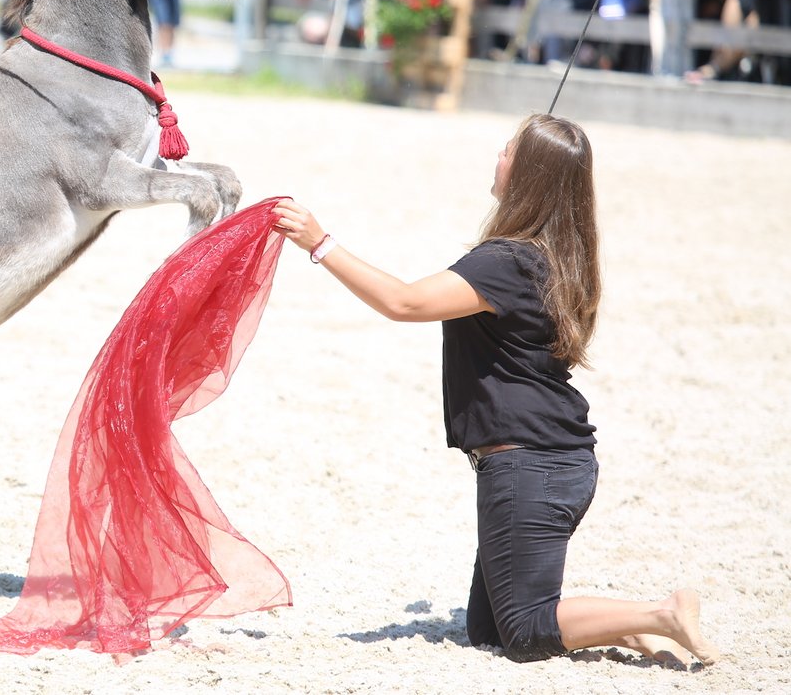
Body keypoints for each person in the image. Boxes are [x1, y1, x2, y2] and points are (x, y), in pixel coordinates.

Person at [270, 114, 720, 668]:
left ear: (527, 172)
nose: (498, 156)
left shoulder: (506, 262)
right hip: (554, 463)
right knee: (488, 631)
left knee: (527, 630)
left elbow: (405, 303)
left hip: (532, 468)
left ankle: (661, 613)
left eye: (508, 150)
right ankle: (632, 631)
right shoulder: (561, 253)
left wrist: (321, 243)